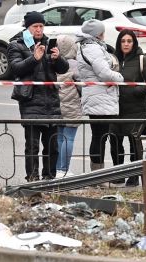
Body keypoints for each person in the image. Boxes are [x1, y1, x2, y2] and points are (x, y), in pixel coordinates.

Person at [7, 11, 69, 182]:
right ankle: (32, 179)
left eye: (41, 26)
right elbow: (15, 68)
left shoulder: (48, 42)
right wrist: (34, 58)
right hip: (32, 102)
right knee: (32, 146)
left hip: (51, 102)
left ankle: (49, 178)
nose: (39, 29)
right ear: (28, 27)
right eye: (35, 26)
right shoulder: (16, 45)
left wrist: (58, 58)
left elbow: (63, 69)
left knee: (53, 146)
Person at [75, 19, 124, 174]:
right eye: (102, 32)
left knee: (99, 136)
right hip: (100, 97)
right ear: (97, 34)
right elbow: (104, 73)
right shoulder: (93, 49)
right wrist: (120, 78)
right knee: (99, 137)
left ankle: (97, 172)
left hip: (98, 96)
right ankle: (97, 174)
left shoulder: (89, 46)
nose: (104, 35)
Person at [113, 29, 146, 187]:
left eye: (129, 41)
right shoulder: (113, 59)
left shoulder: (141, 59)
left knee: (134, 144)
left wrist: (136, 91)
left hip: (136, 109)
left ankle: (134, 175)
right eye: (123, 41)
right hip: (116, 110)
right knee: (115, 143)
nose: (126, 44)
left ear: (134, 43)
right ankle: (118, 174)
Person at [55, 35, 83, 178]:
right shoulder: (75, 64)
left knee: (60, 138)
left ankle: (58, 169)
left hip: (57, 104)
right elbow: (81, 85)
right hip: (72, 104)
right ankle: (64, 169)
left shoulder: (54, 62)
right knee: (69, 138)